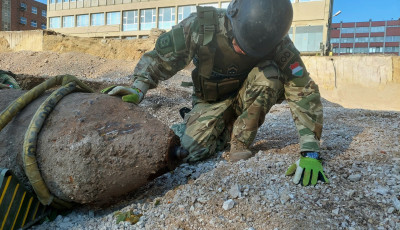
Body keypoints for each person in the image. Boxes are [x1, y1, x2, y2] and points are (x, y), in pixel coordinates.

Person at [103, 0, 329, 186]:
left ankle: (240, 142)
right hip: (210, 101)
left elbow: (302, 89)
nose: (242, 50)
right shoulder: (201, 27)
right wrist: (138, 87)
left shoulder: (278, 42)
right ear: (234, 14)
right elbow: (160, 59)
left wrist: (310, 150)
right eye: (238, 42)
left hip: (247, 98)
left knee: (270, 76)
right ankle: (222, 127)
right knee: (188, 152)